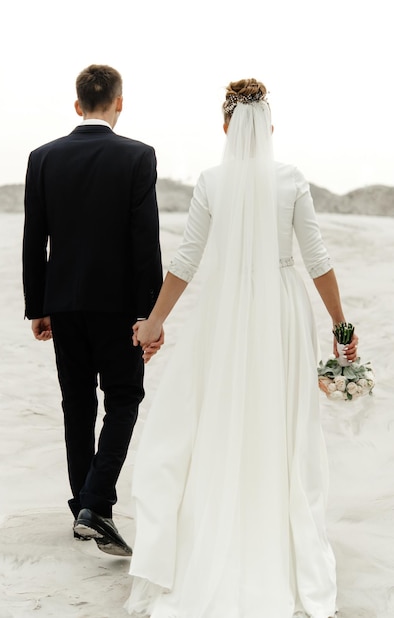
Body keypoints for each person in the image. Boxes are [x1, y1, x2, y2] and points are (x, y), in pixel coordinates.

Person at [125, 79, 358, 617]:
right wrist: (341, 327)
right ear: (269, 128)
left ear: (226, 127)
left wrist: (153, 323)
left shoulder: (211, 180)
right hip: (281, 310)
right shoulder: (291, 180)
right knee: (282, 420)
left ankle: (219, 528)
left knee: (218, 415)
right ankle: (276, 526)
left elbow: (186, 261)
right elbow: (317, 259)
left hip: (224, 311)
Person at [22, 64, 163, 557]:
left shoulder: (43, 157)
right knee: (123, 399)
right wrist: (151, 316)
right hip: (120, 307)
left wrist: (38, 306)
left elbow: (34, 237)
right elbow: (145, 243)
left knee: (76, 404)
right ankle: (96, 504)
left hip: (62, 305)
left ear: (77, 104)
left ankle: (83, 504)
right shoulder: (137, 156)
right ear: (119, 102)